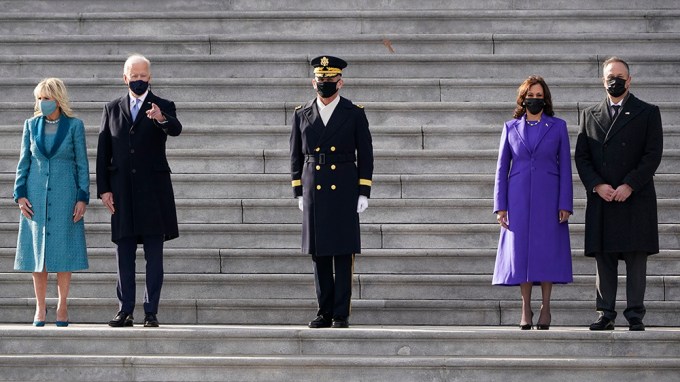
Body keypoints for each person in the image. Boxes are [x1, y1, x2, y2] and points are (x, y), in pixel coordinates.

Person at [575, 57, 663, 331]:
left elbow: (652, 155)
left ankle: (635, 314)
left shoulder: (647, 112)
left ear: (630, 79)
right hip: (604, 197)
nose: (616, 81)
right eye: (610, 76)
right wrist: (597, 185)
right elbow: (582, 157)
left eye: (621, 76)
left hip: (635, 196)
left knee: (636, 258)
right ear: (603, 81)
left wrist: (630, 184)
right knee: (605, 258)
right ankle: (605, 313)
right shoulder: (590, 115)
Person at [96, 54, 182, 328]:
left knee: (154, 256)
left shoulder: (164, 106)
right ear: (125, 78)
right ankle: (125, 310)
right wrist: (104, 190)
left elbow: (176, 129)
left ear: (150, 77)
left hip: (154, 193)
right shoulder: (111, 108)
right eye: (134, 76)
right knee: (124, 254)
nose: (139, 80)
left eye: (143, 76)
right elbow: (102, 153)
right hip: (122, 193)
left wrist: (161, 118)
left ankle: (151, 311)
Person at [289, 55, 374, 328]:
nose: (325, 85)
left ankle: (341, 312)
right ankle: (324, 310)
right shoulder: (302, 113)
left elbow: (367, 155)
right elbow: (294, 156)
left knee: (342, 252)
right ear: (313, 82)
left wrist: (364, 191)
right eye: (321, 80)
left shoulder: (354, 112)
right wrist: (298, 191)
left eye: (330, 80)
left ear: (341, 82)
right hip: (314, 186)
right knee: (320, 253)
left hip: (345, 186)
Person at [493, 75, 573, 330]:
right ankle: (525, 307)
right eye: (531, 96)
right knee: (521, 253)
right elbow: (501, 168)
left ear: (545, 99)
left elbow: (566, 169)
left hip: (549, 197)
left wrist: (565, 203)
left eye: (539, 96)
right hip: (518, 198)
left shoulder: (558, 126)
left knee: (547, 251)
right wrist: (500, 206)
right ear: (523, 98)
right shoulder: (510, 127)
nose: (535, 100)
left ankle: (546, 306)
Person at [14, 78, 90, 327]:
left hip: (65, 195)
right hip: (35, 196)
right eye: (39, 98)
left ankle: (62, 305)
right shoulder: (30, 125)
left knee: (63, 252)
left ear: (57, 99)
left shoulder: (74, 126)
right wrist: (20, 193)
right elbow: (23, 161)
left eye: (45, 98)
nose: (41, 103)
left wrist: (82, 196)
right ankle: (39, 307)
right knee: (39, 254)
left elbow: (82, 164)